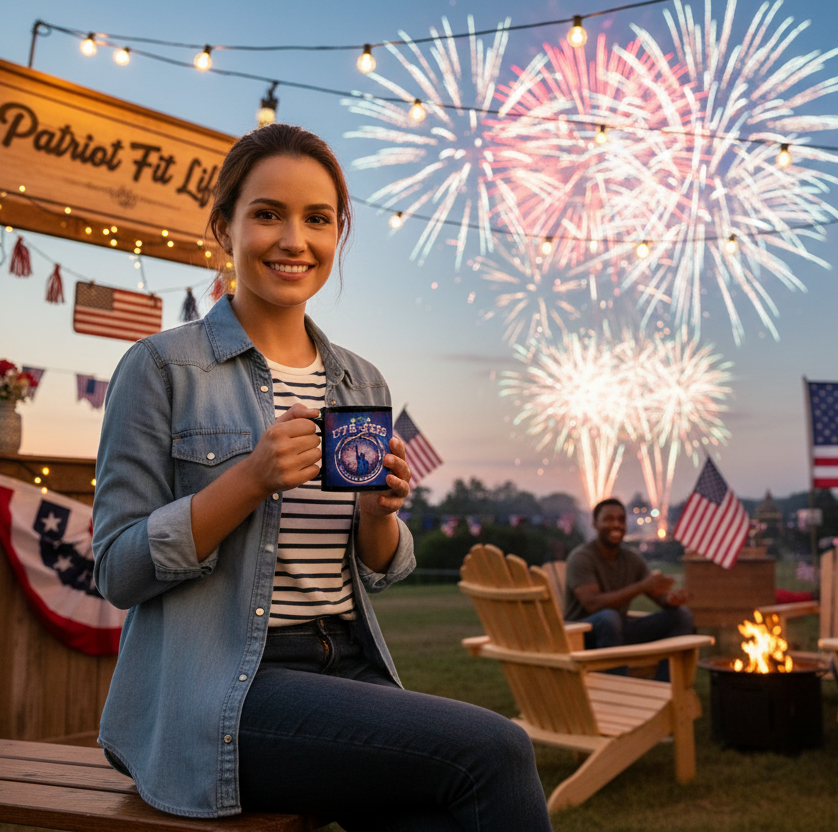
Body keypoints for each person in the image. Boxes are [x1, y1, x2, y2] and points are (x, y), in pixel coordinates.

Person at [92, 123, 551, 831]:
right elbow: (118, 571)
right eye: (267, 214)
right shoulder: (161, 368)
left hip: (347, 666)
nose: (292, 240)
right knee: (497, 750)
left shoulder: (359, 379)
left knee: (448, 818)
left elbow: (374, 569)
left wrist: (378, 515)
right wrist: (246, 481)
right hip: (225, 690)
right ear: (225, 227)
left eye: (317, 219)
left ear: (339, 233)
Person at [562, 498, 695, 678]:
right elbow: (592, 604)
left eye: (621, 519)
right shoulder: (581, 558)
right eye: (608, 519)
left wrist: (671, 600)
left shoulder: (632, 559)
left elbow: (657, 596)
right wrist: (641, 586)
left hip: (617, 630)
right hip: (582, 636)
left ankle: (664, 689)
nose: (616, 524)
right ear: (595, 523)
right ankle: (617, 689)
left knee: (682, 616)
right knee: (610, 618)